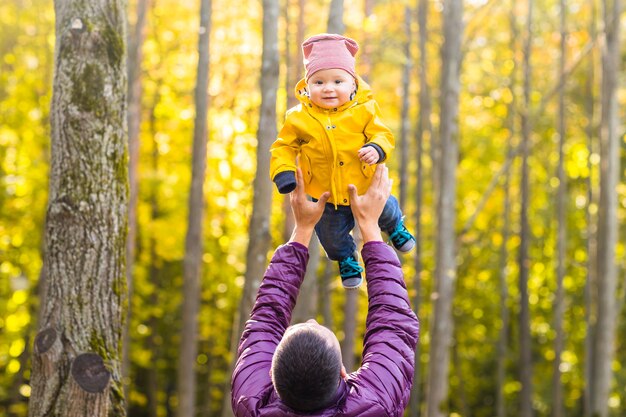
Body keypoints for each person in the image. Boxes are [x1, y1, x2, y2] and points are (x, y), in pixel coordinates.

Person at [231, 165, 419, 417]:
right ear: (343, 371)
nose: (310, 320)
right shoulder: (249, 405)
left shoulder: (375, 406)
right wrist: (368, 224)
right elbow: (392, 324)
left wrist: (305, 229)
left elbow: (265, 321)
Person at [269, 33, 416, 289]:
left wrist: (376, 148)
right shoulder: (298, 118)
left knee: (386, 209)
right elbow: (283, 147)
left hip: (363, 185)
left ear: (353, 84)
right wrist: (284, 172)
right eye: (318, 82)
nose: (328, 88)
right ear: (306, 85)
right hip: (324, 196)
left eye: (338, 80)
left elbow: (383, 134)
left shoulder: (365, 110)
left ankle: (395, 227)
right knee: (331, 237)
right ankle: (347, 257)